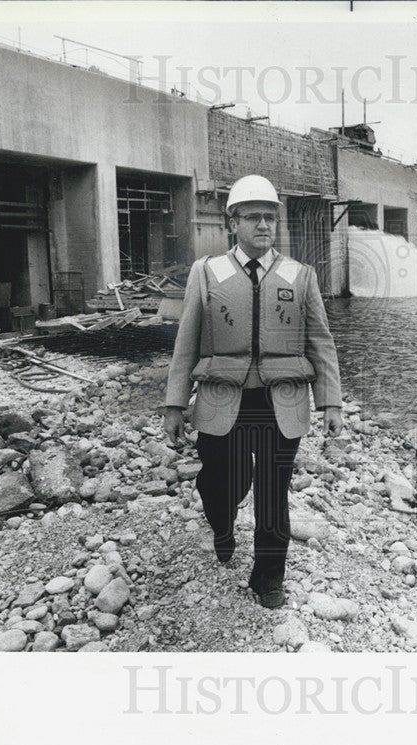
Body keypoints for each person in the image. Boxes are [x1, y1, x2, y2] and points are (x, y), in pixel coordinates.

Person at [164, 174, 344, 609]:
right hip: (221, 399)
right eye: (253, 217)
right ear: (232, 223)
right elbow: (186, 340)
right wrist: (174, 403)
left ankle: (268, 578)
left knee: (271, 490)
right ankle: (222, 527)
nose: (264, 225)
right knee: (219, 483)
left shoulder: (301, 276)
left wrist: (331, 401)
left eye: (270, 217)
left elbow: (320, 341)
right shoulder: (207, 272)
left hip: (280, 402)